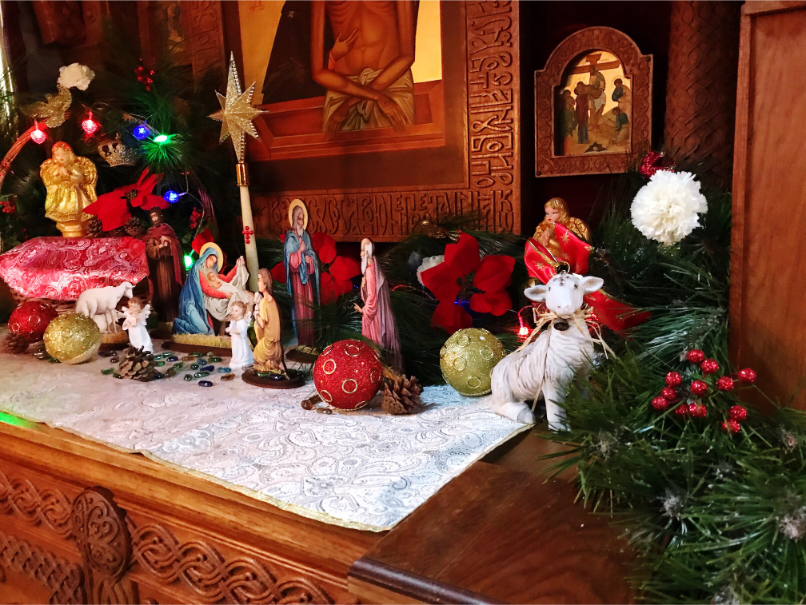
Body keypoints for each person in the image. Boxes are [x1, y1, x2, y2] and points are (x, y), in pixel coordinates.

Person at [312, 1, 416, 138]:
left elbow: (407, 56)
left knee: (399, 148)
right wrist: (375, 96)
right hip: (341, 89)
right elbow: (318, 72)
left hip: (391, 83)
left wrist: (350, 103)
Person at [174, 245, 249, 335]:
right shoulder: (198, 271)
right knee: (203, 331)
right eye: (211, 259)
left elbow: (226, 279)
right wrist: (224, 295)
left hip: (200, 306)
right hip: (191, 304)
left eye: (214, 262)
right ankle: (178, 324)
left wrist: (237, 266)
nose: (212, 263)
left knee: (209, 332)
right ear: (205, 257)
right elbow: (207, 290)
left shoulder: (210, 274)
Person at [354, 238, 402, 373]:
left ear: (368, 252)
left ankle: (378, 371)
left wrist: (363, 310)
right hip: (381, 314)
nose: (361, 254)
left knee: (375, 343)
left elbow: (372, 299)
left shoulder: (370, 271)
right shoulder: (375, 267)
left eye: (363, 250)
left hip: (375, 317)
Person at [40, 142, 97, 237]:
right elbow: (52, 181)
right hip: (61, 195)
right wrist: (59, 177)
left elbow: (80, 178)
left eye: (64, 154)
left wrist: (70, 175)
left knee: (77, 208)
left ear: (70, 154)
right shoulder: (54, 169)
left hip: (75, 193)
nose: (61, 157)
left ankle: (78, 223)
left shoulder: (75, 167)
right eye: (57, 155)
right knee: (62, 208)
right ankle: (66, 223)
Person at [283, 200, 319, 346]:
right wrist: (300, 251)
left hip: (307, 281)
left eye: (303, 218)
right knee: (300, 311)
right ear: (293, 219)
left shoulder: (305, 237)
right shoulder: (290, 239)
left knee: (309, 310)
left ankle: (311, 341)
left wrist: (310, 258)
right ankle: (302, 342)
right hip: (297, 281)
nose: (301, 222)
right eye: (299, 218)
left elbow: (311, 252)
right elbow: (291, 262)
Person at [144, 208, 183, 322]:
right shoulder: (151, 233)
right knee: (162, 294)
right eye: (152, 217)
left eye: (156, 216)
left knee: (172, 292)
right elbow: (149, 250)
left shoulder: (168, 230)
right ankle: (164, 320)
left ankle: (175, 317)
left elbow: (177, 246)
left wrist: (169, 242)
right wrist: (159, 247)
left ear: (160, 216)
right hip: (159, 269)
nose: (155, 219)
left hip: (170, 267)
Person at [533, 197, 591, 263]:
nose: (549, 216)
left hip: (568, 258)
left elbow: (579, 243)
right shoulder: (543, 227)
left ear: (562, 212)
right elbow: (536, 245)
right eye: (547, 213)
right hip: (547, 258)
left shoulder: (574, 224)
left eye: (554, 213)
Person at [253, 268, 283, 372]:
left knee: (256, 355)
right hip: (277, 346)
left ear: (265, 284)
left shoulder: (264, 302)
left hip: (269, 346)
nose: (257, 283)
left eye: (259, 280)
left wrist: (255, 313)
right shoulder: (272, 300)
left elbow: (262, 323)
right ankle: (272, 363)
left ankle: (268, 364)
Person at [225, 301, 254, 370]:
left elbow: (241, 331)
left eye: (236, 310)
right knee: (235, 350)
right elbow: (232, 328)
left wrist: (233, 330)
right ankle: (236, 359)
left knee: (241, 350)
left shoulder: (242, 322)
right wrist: (229, 328)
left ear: (242, 310)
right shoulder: (234, 321)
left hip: (240, 341)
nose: (234, 312)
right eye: (233, 310)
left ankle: (243, 360)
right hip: (235, 341)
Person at [587, 65, 607, 130]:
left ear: (594, 69)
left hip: (599, 94)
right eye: (590, 70)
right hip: (592, 95)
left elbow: (602, 84)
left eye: (591, 70)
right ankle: (593, 124)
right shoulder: (591, 76)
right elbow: (590, 85)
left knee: (599, 108)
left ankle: (596, 123)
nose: (591, 71)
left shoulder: (599, 75)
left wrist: (599, 91)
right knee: (592, 109)